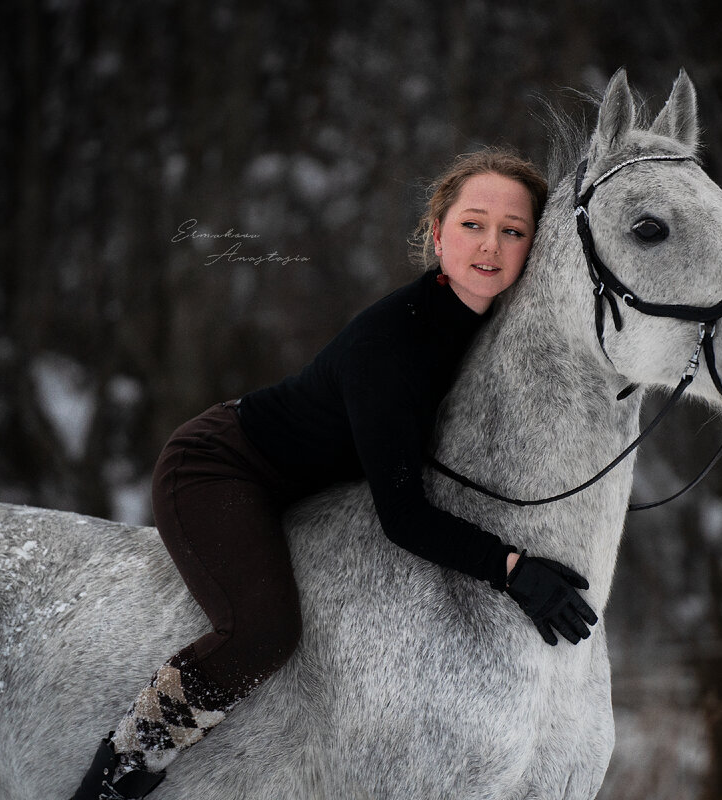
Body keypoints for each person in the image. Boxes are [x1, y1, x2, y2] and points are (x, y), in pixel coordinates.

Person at [68, 148, 599, 800]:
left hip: (317, 486)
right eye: (472, 224)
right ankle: (120, 769)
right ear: (437, 234)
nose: (491, 244)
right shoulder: (393, 343)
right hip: (224, 467)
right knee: (262, 633)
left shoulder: (499, 335)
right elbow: (403, 517)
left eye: (514, 230)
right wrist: (513, 569)